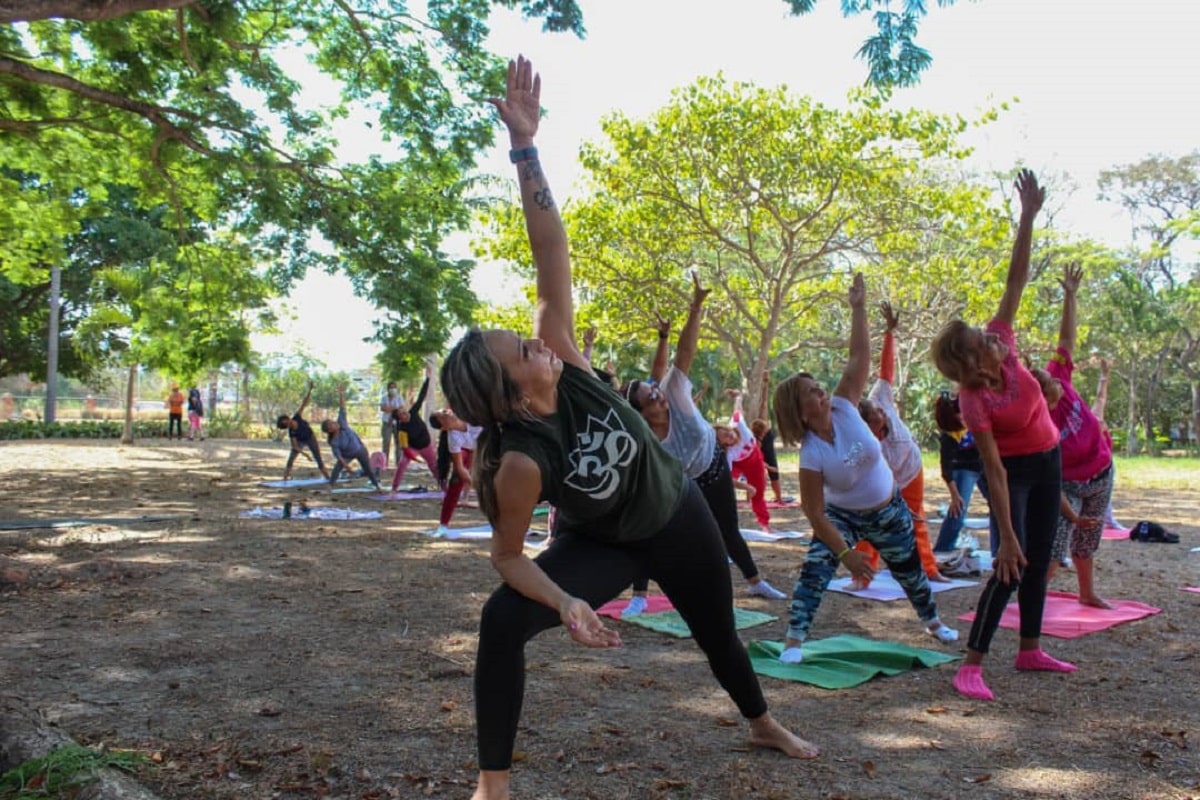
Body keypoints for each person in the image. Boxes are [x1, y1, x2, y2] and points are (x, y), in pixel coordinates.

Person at [440, 57, 817, 800]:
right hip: (601, 543)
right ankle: (494, 784)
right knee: (499, 621)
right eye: (522, 351)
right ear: (513, 396)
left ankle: (762, 720)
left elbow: (551, 249)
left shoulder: (569, 360)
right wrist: (566, 601)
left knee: (719, 634)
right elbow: (510, 558)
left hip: (675, 513)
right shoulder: (517, 461)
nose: (535, 340)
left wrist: (524, 148)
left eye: (526, 335)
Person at [931, 168, 1076, 702]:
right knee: (1010, 563)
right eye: (982, 338)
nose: (993, 335)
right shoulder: (974, 399)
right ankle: (970, 664)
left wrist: (1027, 216)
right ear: (970, 360)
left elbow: (1015, 281)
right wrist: (1004, 532)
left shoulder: (1007, 347)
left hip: (1048, 459)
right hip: (1012, 473)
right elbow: (991, 467)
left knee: (1039, 560)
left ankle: (1030, 648)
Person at [772, 272, 957, 665]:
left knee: (909, 570)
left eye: (816, 384)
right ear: (799, 410)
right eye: (810, 390)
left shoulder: (843, 404)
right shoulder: (810, 454)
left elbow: (859, 358)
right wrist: (845, 554)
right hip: (843, 517)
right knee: (815, 571)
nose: (820, 388)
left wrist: (858, 308)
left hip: (888, 508)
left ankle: (933, 622)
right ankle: (793, 640)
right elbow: (814, 512)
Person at [620, 273, 787, 613]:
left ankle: (755, 583)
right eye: (650, 397)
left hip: (712, 468)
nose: (658, 395)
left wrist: (695, 307)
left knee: (729, 530)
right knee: (651, 533)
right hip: (679, 481)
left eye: (656, 389)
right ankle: (639, 595)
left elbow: (684, 352)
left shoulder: (674, 392)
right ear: (641, 412)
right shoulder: (644, 439)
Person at [1032, 264, 1113, 609]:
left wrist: (1070, 296)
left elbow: (1066, 340)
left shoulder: (1059, 376)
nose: (1058, 386)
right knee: (1055, 543)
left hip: (1102, 471)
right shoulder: (1036, 423)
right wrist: (1071, 513)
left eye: (1055, 381)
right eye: (1050, 386)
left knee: (1088, 540)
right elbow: (1047, 475)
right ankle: (1032, 600)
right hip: (1068, 484)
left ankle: (1087, 593)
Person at [853, 302, 948, 587]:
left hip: (912, 468)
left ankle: (929, 570)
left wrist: (889, 333)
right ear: (866, 423)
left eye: (880, 411)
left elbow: (886, 370)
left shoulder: (879, 396)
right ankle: (863, 575)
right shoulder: (861, 442)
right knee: (870, 524)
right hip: (883, 479)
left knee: (917, 520)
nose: (882, 413)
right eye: (876, 415)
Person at [930, 390, 985, 554]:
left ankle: (999, 548)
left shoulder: (975, 424)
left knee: (999, 508)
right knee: (958, 509)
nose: (964, 416)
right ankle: (943, 548)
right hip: (964, 471)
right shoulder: (950, 437)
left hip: (984, 467)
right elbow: (946, 468)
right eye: (960, 414)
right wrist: (955, 495)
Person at [715, 392, 772, 533]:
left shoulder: (738, 424)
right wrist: (746, 487)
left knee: (759, 492)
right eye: (726, 438)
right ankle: (722, 519)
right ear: (724, 444)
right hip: (738, 463)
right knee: (724, 485)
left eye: (728, 432)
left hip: (754, 458)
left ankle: (765, 524)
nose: (731, 436)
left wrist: (738, 397)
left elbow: (737, 410)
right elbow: (728, 479)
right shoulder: (729, 453)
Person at [428, 410, 482, 538]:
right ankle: (443, 524)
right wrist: (477, 485)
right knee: (457, 480)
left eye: (444, 411)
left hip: (486, 447)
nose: (446, 413)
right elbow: (459, 468)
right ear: (444, 427)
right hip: (468, 450)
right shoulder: (453, 438)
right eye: (442, 416)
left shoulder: (469, 414)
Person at [321, 385, 382, 490]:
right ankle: (331, 484)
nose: (335, 423)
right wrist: (347, 467)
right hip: (347, 455)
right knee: (337, 467)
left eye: (333, 422)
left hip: (359, 450)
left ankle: (376, 485)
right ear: (330, 430)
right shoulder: (334, 442)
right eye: (331, 425)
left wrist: (341, 394)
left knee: (367, 468)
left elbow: (342, 408)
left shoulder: (342, 423)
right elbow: (339, 458)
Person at [390, 373, 441, 492]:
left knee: (434, 467)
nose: (404, 413)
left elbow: (421, 396)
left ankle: (444, 487)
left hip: (426, 445)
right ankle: (394, 488)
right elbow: (405, 448)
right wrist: (415, 459)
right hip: (413, 448)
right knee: (402, 464)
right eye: (401, 414)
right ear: (400, 419)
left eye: (403, 411)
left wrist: (428, 379)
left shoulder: (413, 412)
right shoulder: (401, 429)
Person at [1091, 358, 1125, 530]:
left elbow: (1101, 398)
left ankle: (1108, 520)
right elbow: (1099, 399)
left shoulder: (1097, 419)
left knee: (1106, 494)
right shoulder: (1089, 423)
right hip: (1089, 468)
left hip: (1106, 466)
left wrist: (1105, 376)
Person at [276, 382, 330, 481]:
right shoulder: (292, 432)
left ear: (288, 418)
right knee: (291, 458)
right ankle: (285, 478)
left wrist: (310, 390)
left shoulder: (297, 417)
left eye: (287, 421)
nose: (289, 423)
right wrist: (305, 455)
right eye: (286, 424)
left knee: (318, 457)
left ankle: (328, 477)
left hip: (310, 438)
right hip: (301, 441)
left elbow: (304, 403)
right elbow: (295, 446)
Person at [749, 418, 786, 504]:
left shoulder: (763, 438)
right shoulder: (756, 442)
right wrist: (769, 468)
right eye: (766, 428)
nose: (768, 429)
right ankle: (751, 499)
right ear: (762, 431)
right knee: (756, 477)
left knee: (773, 475)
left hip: (764, 457)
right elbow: (757, 460)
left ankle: (779, 498)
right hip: (753, 461)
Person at [379, 381, 404, 468]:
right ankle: (384, 464)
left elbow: (401, 409)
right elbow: (383, 408)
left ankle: (398, 463)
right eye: (391, 387)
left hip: (397, 423)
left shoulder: (399, 398)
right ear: (388, 389)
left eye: (394, 387)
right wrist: (394, 409)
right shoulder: (384, 398)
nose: (393, 389)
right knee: (386, 442)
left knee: (398, 443)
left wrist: (390, 409)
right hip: (386, 423)